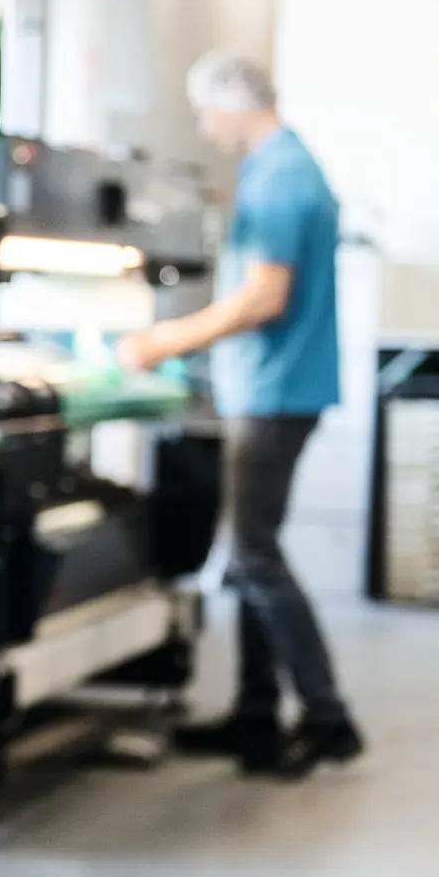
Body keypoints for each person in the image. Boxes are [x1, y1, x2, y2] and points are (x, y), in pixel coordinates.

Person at [117, 51, 364, 779]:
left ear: (232, 103)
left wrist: (165, 340)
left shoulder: (280, 176)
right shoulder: (283, 167)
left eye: (205, 111)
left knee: (254, 554)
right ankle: (256, 719)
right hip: (277, 388)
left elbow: (263, 298)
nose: (204, 125)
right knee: (253, 558)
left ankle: (329, 719)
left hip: (274, 393)